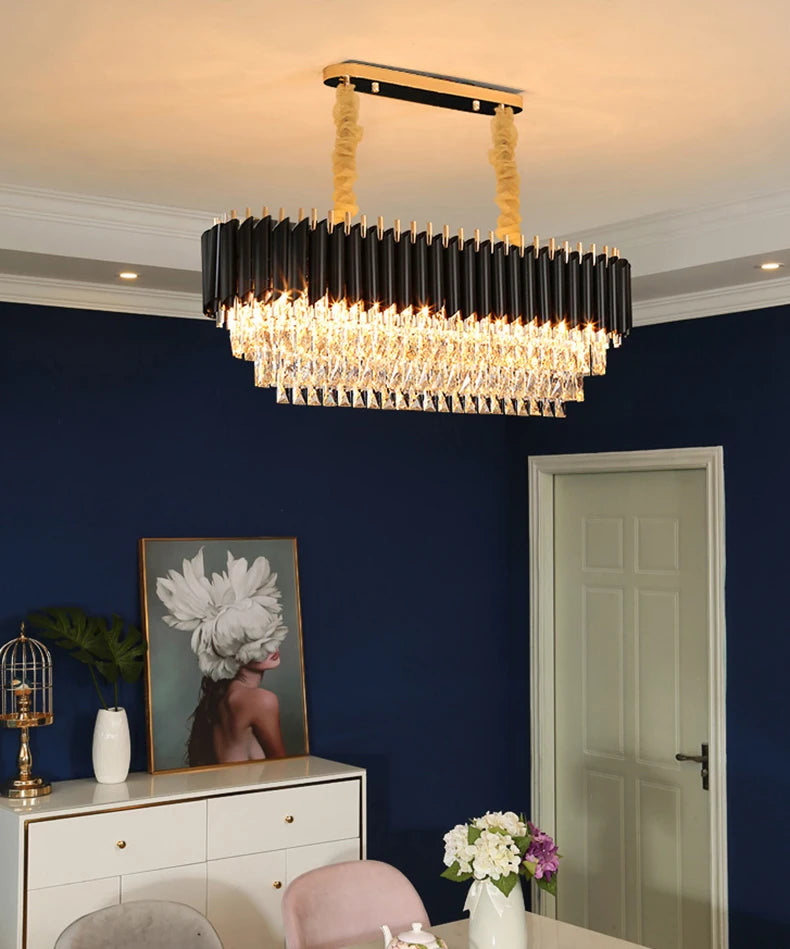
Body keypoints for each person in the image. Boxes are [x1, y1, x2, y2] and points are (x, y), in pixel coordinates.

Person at [156, 547, 289, 767]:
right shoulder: (261, 701)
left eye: (271, 633)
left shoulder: (220, 700)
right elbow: (287, 771)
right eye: (257, 641)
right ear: (232, 653)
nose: (273, 645)